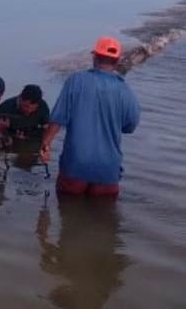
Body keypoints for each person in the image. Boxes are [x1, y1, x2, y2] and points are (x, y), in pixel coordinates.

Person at [40, 36, 140, 197]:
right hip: (108, 170)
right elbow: (130, 126)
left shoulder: (76, 81)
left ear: (94, 56)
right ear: (117, 60)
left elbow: (58, 118)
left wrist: (45, 144)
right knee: (105, 218)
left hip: (75, 165)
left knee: (67, 215)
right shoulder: (125, 90)